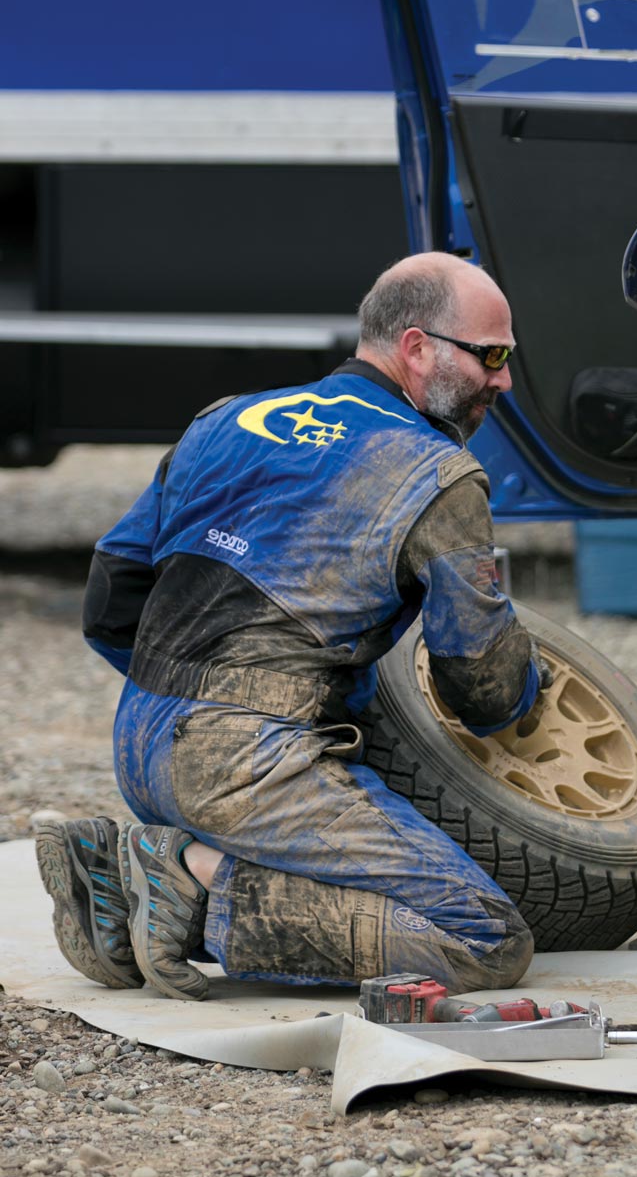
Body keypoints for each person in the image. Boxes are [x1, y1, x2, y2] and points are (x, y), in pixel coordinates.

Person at [36, 253, 545, 1001]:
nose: (502, 380)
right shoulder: (436, 474)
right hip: (250, 768)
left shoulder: (228, 417)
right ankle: (189, 878)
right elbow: (482, 684)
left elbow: (111, 601)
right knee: (486, 940)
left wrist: (190, 700)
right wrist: (526, 689)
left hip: (139, 743)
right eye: (492, 356)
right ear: (416, 347)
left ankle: (126, 874)